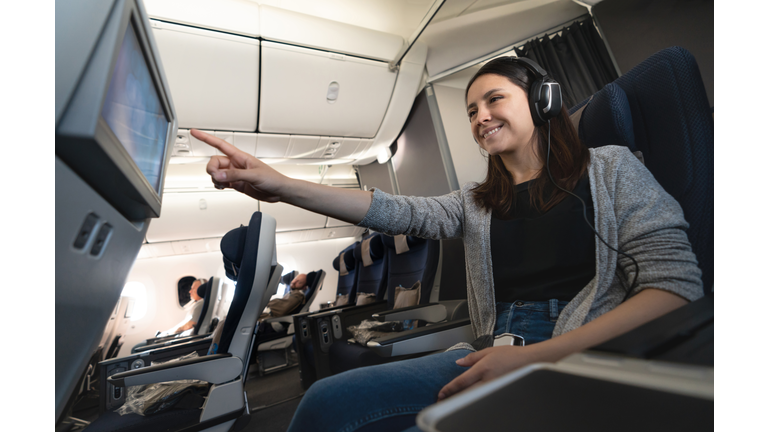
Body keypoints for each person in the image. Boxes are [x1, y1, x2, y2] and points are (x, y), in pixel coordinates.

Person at [190, 56, 703, 431]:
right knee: (325, 402)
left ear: (543, 100)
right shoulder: (478, 202)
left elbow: (675, 287)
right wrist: (279, 185)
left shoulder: (611, 168)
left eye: (493, 100)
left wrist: (538, 357)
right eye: (471, 111)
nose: (480, 117)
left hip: (583, 346)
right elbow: (395, 211)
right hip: (493, 347)